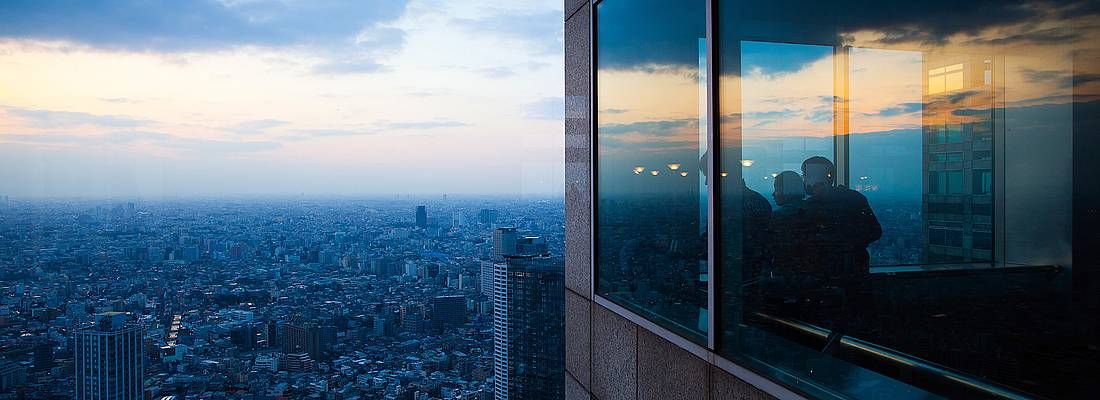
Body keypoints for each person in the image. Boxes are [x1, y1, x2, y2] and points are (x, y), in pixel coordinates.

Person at [800, 156, 881, 349]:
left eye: (806, 174)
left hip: (825, 276)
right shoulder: (854, 198)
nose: (804, 179)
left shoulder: (811, 207)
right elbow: (875, 231)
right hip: (855, 273)